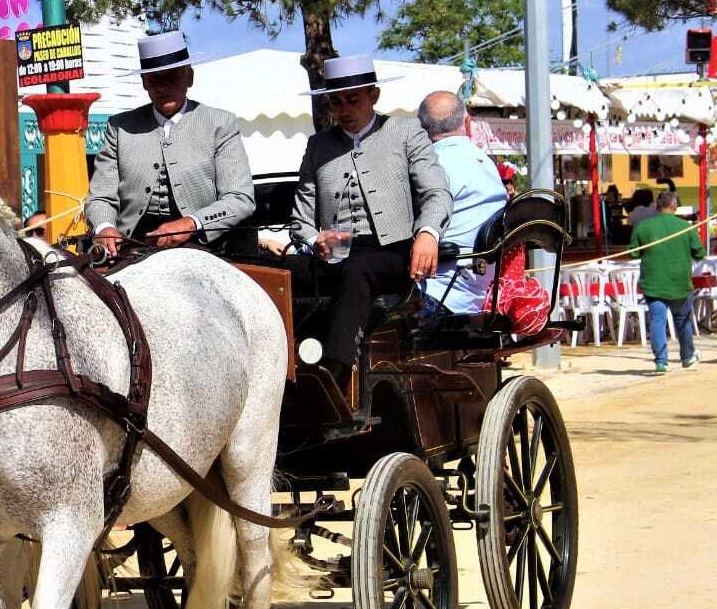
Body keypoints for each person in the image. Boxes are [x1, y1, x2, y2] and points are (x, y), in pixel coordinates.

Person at [283, 55, 452, 389]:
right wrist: (313, 239)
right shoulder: (319, 146)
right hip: (333, 255)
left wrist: (428, 234)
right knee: (276, 272)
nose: (344, 109)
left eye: (353, 99)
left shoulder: (404, 132)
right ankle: (278, 367)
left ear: (373, 96)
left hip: (391, 254)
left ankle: (332, 377)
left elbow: (437, 193)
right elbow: (299, 221)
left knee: (356, 271)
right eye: (336, 101)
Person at [86, 30, 255, 257]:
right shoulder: (120, 127)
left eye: (172, 76)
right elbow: (101, 196)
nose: (163, 86)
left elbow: (239, 198)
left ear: (190, 77)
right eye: (155, 79)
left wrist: (191, 223)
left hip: (202, 245)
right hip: (131, 245)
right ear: (144, 82)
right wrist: (104, 226)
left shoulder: (219, 123)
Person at [417, 92, 508, 314]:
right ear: (467, 122)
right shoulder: (487, 164)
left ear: (421, 129)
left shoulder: (428, 167)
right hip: (485, 293)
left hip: (438, 292)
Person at [631, 191, 703, 375]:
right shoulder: (685, 226)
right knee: (682, 321)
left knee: (657, 320)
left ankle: (661, 362)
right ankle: (687, 357)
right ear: (674, 206)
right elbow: (700, 253)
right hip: (680, 282)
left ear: (657, 205)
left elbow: (633, 252)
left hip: (653, 281)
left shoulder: (643, 227)